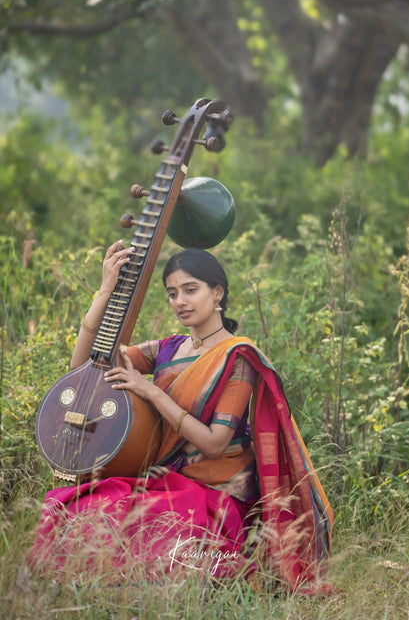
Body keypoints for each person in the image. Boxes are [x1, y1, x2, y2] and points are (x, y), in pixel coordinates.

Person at [30, 241, 333, 591]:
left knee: (164, 535)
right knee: (89, 507)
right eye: (173, 293)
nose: (180, 301)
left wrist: (152, 392)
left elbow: (215, 443)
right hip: (165, 479)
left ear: (217, 293)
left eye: (191, 290)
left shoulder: (236, 357)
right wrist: (104, 292)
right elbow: (84, 366)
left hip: (215, 491)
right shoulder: (167, 348)